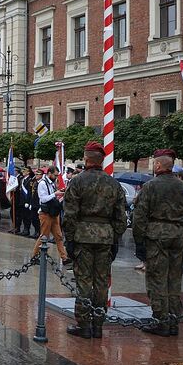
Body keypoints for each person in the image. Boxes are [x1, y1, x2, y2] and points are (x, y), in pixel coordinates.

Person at [61, 142, 128, 338]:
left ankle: (84, 324)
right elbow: (121, 217)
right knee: (101, 281)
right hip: (105, 237)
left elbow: (69, 215)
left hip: (83, 236)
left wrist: (70, 239)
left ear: (86, 158)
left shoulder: (77, 182)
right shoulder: (113, 184)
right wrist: (114, 236)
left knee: (83, 281)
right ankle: (98, 323)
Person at [131, 149, 183, 336]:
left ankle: (161, 321)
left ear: (158, 165)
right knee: (174, 280)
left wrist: (140, 242)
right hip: (178, 235)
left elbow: (139, 217)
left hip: (157, 236)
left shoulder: (151, 186)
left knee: (157, 280)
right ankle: (173, 320)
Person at [32, 166, 68, 262]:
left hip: (54, 213)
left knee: (59, 236)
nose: (56, 177)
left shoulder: (52, 183)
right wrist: (55, 194)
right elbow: (43, 199)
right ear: (49, 173)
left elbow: (54, 198)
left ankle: (64, 258)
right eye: (55, 175)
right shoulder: (42, 183)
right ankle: (34, 256)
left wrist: (60, 194)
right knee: (44, 236)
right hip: (45, 213)